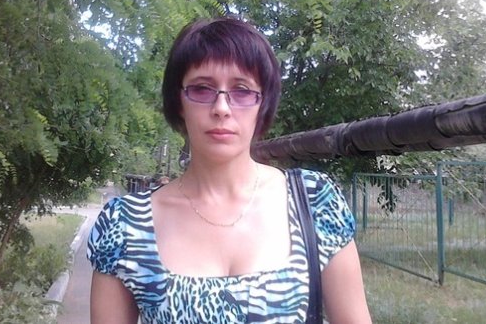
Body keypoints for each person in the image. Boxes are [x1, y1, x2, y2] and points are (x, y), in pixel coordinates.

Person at [88, 17, 372, 323]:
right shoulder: (124, 224)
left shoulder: (314, 202)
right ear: (178, 102)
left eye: (242, 90)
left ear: (262, 103)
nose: (222, 108)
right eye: (202, 89)